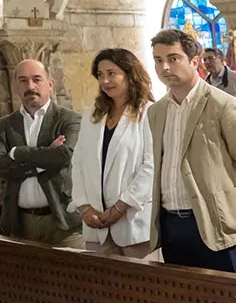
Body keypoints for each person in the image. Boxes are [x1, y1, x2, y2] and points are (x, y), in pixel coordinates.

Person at [148, 29, 236, 272]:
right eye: (158, 60)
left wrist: (235, 212)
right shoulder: (156, 111)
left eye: (173, 58)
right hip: (171, 223)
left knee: (229, 301)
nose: (165, 67)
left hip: (214, 221)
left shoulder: (223, 105)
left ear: (194, 61)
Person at [69, 49, 154, 257]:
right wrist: (84, 207)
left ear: (129, 74)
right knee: (102, 286)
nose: (105, 80)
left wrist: (120, 207)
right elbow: (78, 162)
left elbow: (151, 166)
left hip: (134, 223)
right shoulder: (91, 115)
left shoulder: (148, 112)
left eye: (111, 73)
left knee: (142, 286)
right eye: (100, 75)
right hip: (96, 223)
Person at [0, 60, 81, 247]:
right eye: (23, 80)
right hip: (20, 224)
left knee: (73, 276)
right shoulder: (4, 126)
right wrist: (45, 158)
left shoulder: (70, 120)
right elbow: (1, 166)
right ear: (15, 85)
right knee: (24, 276)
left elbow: (64, 155)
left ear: (50, 84)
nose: (30, 86)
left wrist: (17, 152)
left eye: (37, 79)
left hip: (63, 223)